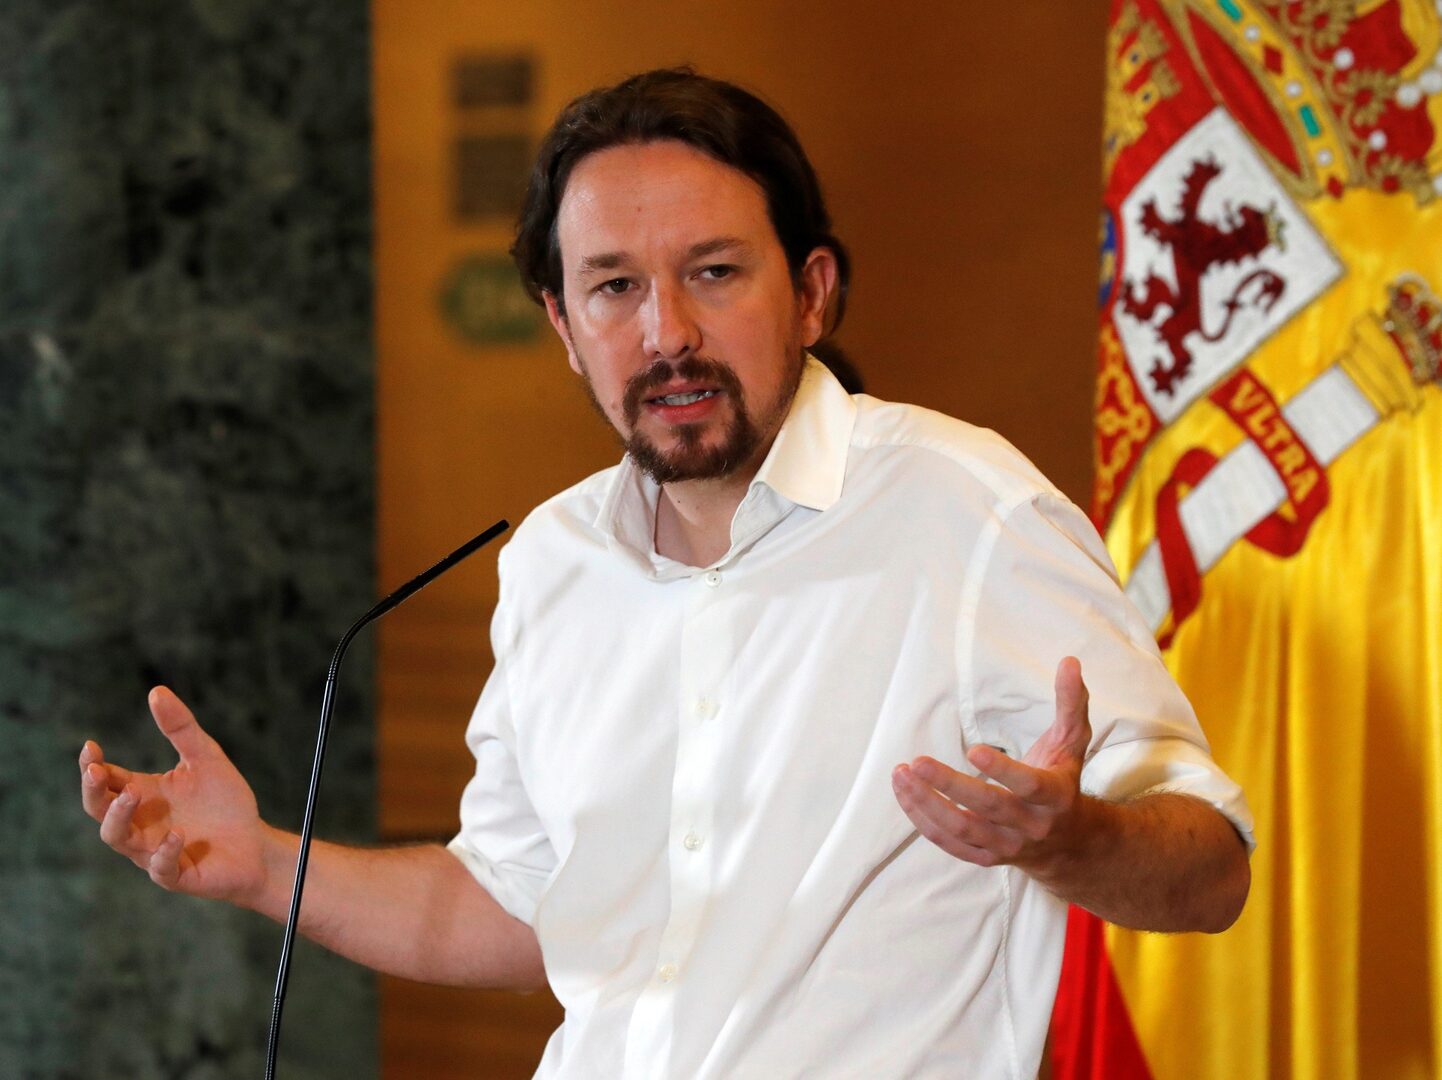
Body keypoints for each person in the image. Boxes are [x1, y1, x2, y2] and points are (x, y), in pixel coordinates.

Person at [79, 68, 1252, 1078]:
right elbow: (514, 904)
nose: (666, 332)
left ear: (811, 292)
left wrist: (1065, 839)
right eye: (614, 288)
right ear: (562, 323)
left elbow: (1209, 871)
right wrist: (263, 865)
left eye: (714, 272)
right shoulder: (553, 563)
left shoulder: (968, 510)